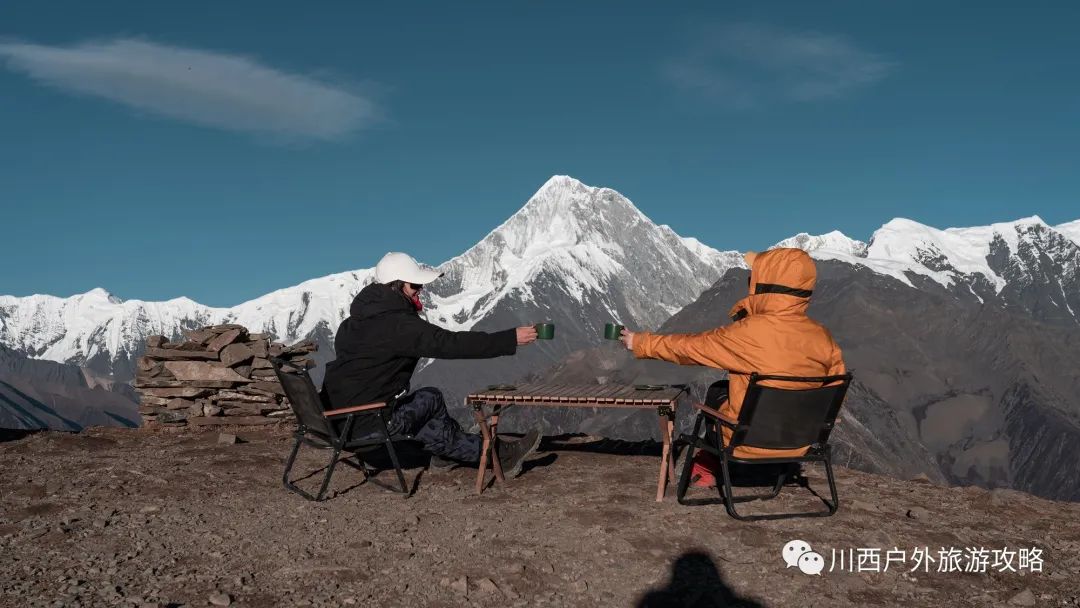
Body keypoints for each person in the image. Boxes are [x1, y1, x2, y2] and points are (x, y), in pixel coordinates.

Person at [619, 248, 846, 484]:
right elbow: (837, 392)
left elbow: (690, 348)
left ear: (763, 284)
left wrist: (640, 342)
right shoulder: (823, 337)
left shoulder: (749, 333)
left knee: (718, 390)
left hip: (746, 443)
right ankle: (772, 465)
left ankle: (709, 464)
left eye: (754, 277)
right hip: (799, 442)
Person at [322, 252, 542, 476]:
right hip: (369, 425)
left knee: (427, 416)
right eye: (415, 284)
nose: (420, 289)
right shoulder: (399, 325)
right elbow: (450, 344)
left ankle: (458, 452)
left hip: (336, 421)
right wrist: (509, 338)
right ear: (397, 286)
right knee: (430, 398)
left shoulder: (351, 324)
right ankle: (494, 455)